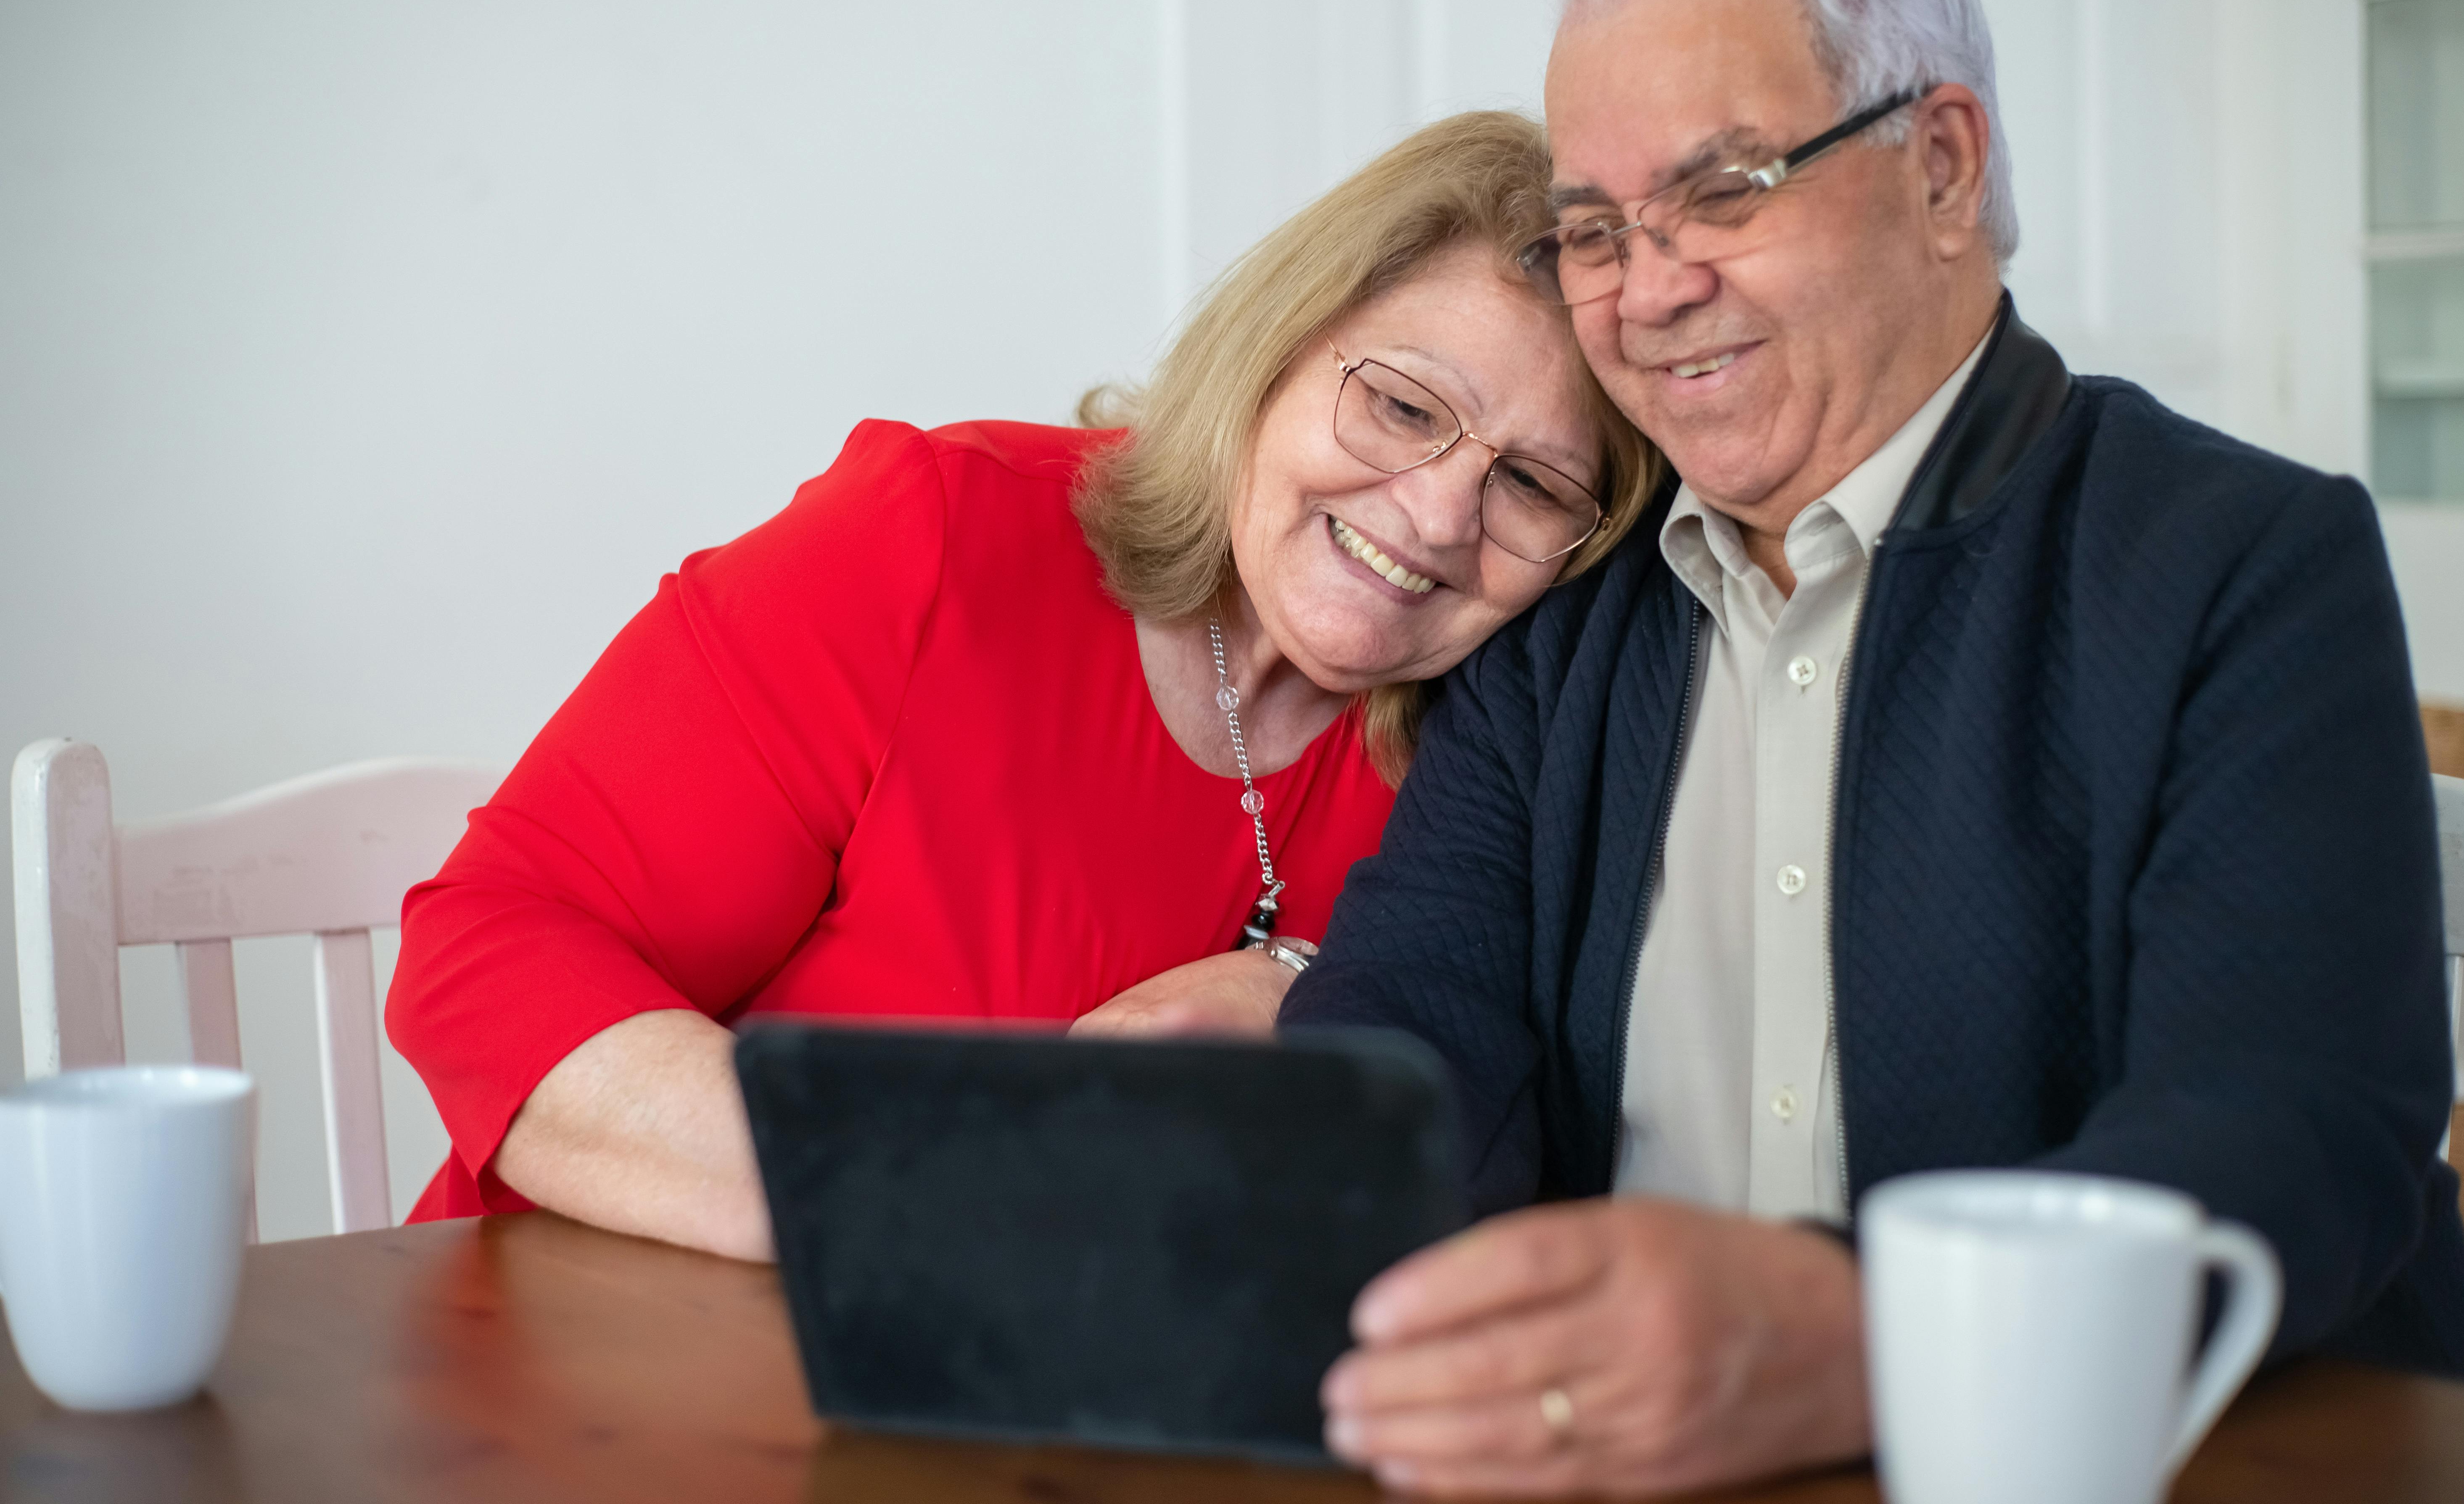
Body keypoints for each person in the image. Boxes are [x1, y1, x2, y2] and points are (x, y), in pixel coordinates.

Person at [1284, 0, 2464, 1499]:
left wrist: (1854, 1330)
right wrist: (1266, 1190)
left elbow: (2289, 1132)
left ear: (1937, 164)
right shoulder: (1561, 598)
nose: (1645, 290)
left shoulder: (2243, 559)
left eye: (1724, 190)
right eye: (1591, 229)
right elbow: (1403, 1035)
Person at [384, 111, 1663, 1262]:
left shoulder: (1511, 744)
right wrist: (931, 1201)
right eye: (1399, 406)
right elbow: (486, 960)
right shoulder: (936, 543)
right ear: (1277, 350)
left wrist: (1298, 981)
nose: (1441, 514)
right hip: (587, 1346)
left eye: (1537, 486)